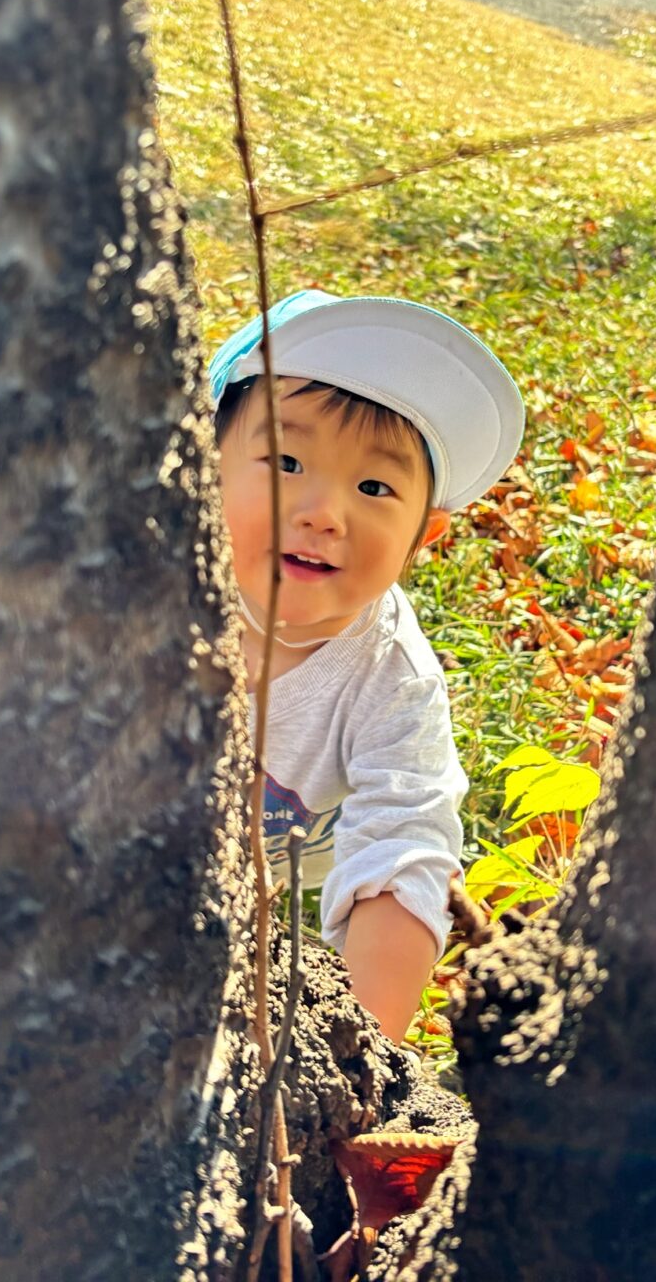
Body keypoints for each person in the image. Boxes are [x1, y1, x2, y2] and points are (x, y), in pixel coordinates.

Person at [207, 290, 525, 1037]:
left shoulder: (392, 681)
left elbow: (404, 844)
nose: (324, 512)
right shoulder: (143, 599)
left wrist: (361, 1055)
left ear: (424, 537)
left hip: (292, 879)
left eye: (375, 487)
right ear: (201, 470)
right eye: (286, 461)